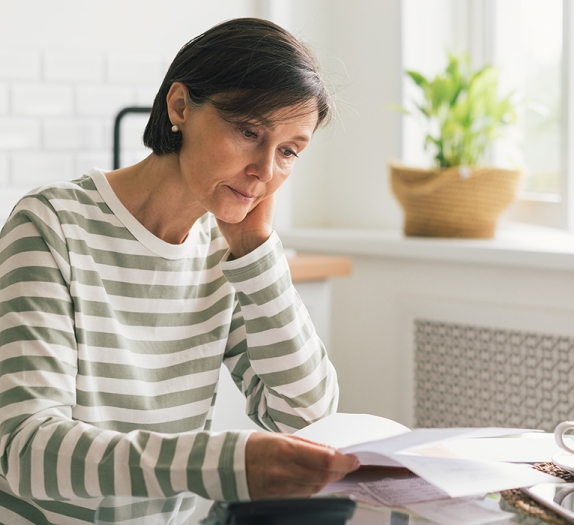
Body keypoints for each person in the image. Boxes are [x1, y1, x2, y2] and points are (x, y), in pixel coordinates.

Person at [0, 18, 359, 525]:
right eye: (248, 131)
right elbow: (26, 451)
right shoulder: (51, 225)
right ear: (180, 106)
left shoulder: (227, 252)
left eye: (288, 152)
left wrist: (258, 255)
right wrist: (222, 463)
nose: (265, 171)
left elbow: (306, 419)